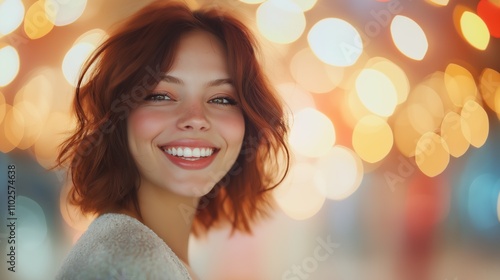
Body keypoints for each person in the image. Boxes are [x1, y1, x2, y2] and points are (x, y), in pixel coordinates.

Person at [55, 0, 290, 279]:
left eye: (222, 99)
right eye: (160, 95)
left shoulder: (141, 252)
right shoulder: (129, 263)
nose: (196, 118)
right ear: (118, 116)